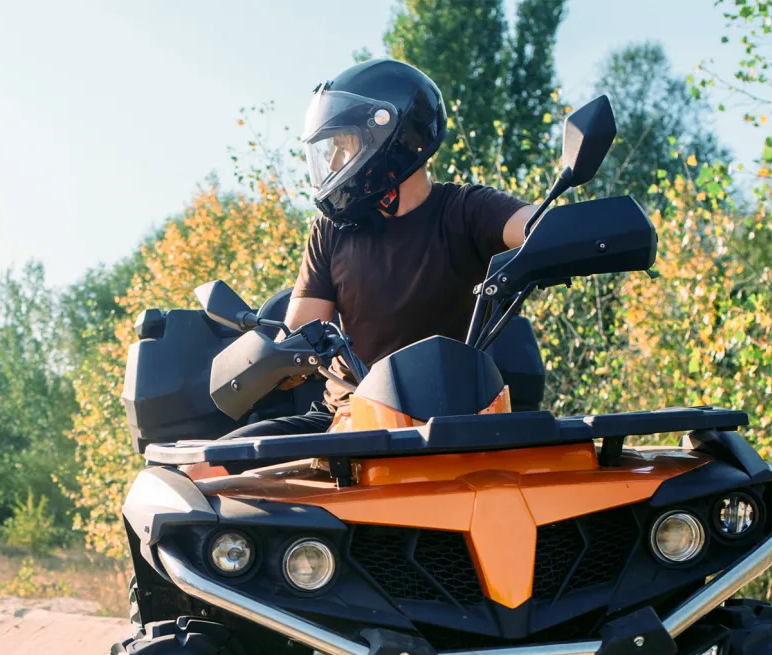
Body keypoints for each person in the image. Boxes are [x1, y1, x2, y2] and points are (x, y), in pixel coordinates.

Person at [224, 58, 537, 439]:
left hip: (460, 416)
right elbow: (299, 333)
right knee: (210, 468)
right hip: (352, 417)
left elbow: (537, 225)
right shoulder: (332, 231)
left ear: (387, 135)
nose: (337, 160)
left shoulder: (465, 209)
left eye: (343, 144)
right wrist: (272, 361)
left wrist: (575, 233)